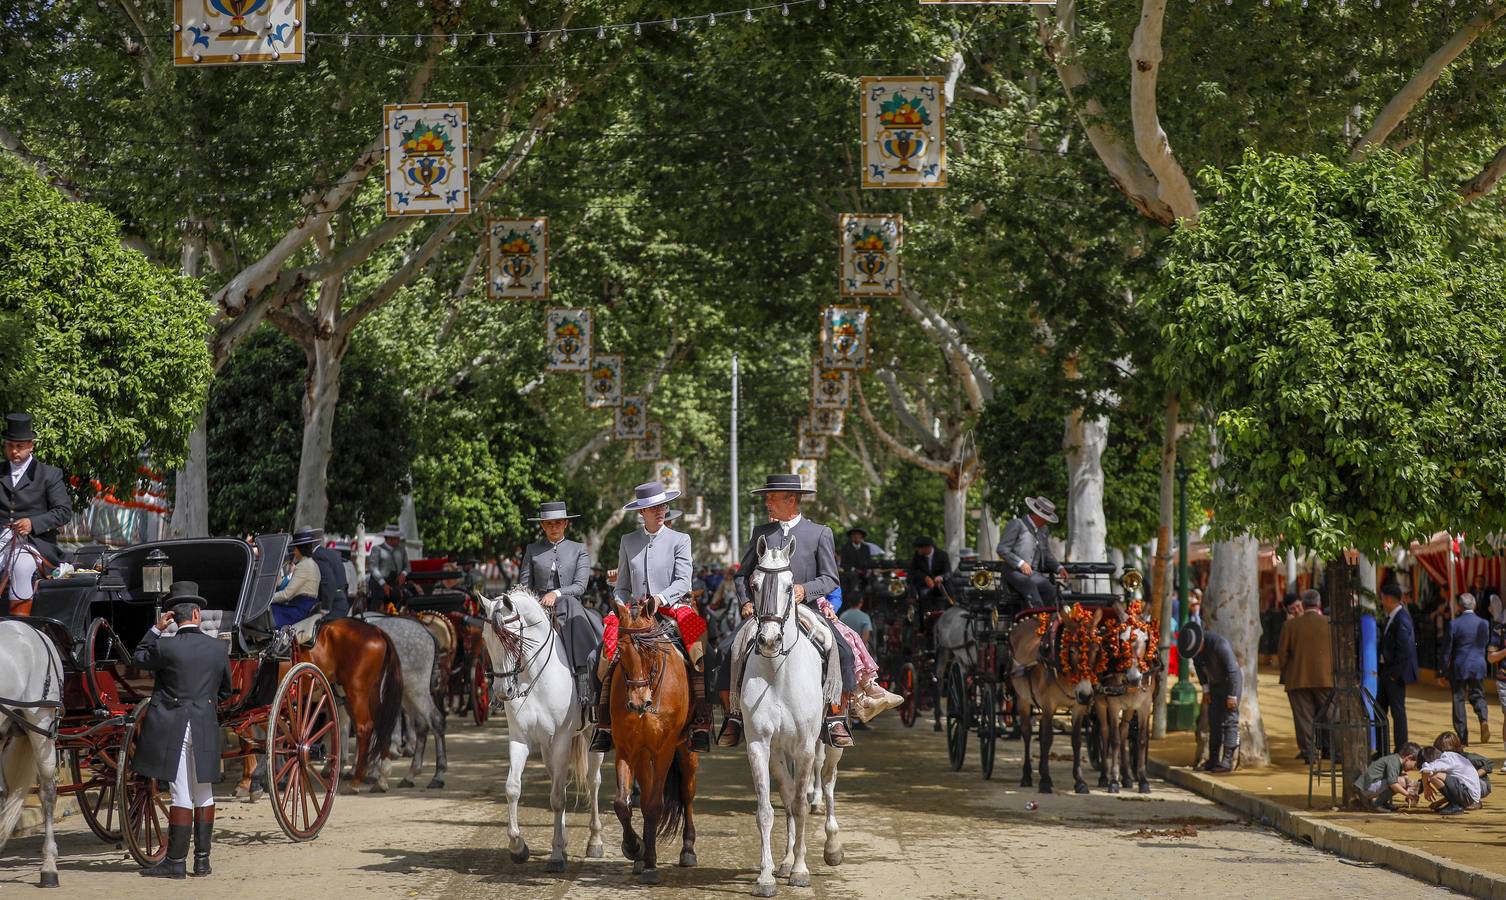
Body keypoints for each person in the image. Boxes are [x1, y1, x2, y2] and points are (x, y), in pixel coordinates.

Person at [721, 474, 854, 749]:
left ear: (791, 500)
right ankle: (733, 716)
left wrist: (805, 590)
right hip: (764, 614)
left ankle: (835, 715)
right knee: (726, 649)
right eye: (767, 498)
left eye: (772, 498)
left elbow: (830, 578)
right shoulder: (761, 533)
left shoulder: (820, 533)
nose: (767, 503)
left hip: (806, 610)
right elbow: (741, 575)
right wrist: (746, 601)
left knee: (842, 649)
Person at [593, 482, 710, 753]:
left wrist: (660, 599)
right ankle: (603, 721)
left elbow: (683, 581)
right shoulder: (627, 541)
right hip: (633, 612)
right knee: (603, 651)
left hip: (672, 607)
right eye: (653, 507)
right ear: (641, 512)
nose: (660, 511)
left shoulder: (680, 539)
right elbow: (621, 585)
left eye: (662, 506)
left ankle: (702, 719)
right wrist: (621, 606)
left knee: (701, 647)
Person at [131, 582, 234, 878]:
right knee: (204, 792)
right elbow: (226, 690)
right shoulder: (217, 648)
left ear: (173, 617)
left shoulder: (165, 645)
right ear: (198, 615)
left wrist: (154, 629)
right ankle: (202, 861)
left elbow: (138, 657)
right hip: (204, 723)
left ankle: (175, 862)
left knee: (180, 792)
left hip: (174, 725)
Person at [519, 501, 598, 719]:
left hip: (568, 605)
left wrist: (557, 594)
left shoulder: (579, 549)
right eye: (548, 523)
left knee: (571, 606)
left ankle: (583, 679)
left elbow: (580, 586)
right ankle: (505, 682)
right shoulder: (533, 550)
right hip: (538, 608)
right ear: (543, 525)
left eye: (558, 523)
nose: (553, 527)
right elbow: (524, 585)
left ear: (565, 524)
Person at [0, 413, 72, 614]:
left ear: (31, 446)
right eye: (10, 446)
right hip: (2, 539)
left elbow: (64, 511)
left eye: (19, 446)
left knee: (20, 566)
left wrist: (33, 523)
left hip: (34, 543)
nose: (14, 451)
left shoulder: (49, 474)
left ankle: (19, 623)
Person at [1277, 588, 1332, 764]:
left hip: (1297, 678)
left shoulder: (1290, 625)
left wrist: (1287, 672)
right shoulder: (1330, 622)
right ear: (1319, 603)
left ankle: (1310, 754)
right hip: (1326, 678)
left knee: (1304, 719)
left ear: (1304, 603)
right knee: (1330, 715)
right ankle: (1333, 752)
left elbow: (1282, 654)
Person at [1179, 621, 1242, 773]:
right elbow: (1200, 671)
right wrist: (1206, 690)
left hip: (1230, 683)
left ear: (1201, 640)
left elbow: (1233, 671)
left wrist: (1232, 695)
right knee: (1214, 721)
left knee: (1230, 720)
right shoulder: (1196, 652)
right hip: (1214, 685)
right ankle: (1213, 759)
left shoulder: (1219, 644)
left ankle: (1227, 760)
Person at [996, 497, 1070, 609]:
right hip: (1013, 570)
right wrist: (1021, 563)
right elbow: (1002, 549)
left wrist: (1059, 568)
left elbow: (1046, 553)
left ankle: (1046, 619)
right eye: (1045, 518)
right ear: (1037, 515)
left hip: (1033, 573)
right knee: (1029, 586)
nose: (1047, 521)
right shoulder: (1017, 524)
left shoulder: (1043, 530)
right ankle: (1036, 618)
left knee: (1050, 590)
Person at [1443, 592, 1491, 745]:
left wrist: (1443, 670)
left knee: (1458, 700)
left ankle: (1463, 737)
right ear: (1474, 605)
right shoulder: (1484, 623)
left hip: (1460, 666)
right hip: (1478, 664)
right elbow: (1484, 643)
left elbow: (1447, 649)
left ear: (1459, 606)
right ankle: (1483, 719)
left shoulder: (1454, 624)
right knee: (1478, 695)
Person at [1377, 582, 1418, 752]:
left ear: (1387, 599)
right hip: (1387, 672)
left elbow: (1405, 649)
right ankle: (1382, 749)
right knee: (1380, 710)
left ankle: (1401, 749)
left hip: (1394, 674)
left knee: (1397, 712)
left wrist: (1394, 674)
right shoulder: (1393, 617)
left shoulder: (1402, 618)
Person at [1354, 741, 1421, 812]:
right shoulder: (1394, 762)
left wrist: (1409, 788)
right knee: (1398, 782)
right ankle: (1377, 804)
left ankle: (1383, 803)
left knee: (1401, 780)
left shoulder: (1395, 760)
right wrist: (1408, 795)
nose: (1414, 768)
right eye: (1415, 765)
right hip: (1367, 788)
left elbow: (1405, 777)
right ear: (1409, 758)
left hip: (1370, 786)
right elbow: (1393, 783)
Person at [1418, 745, 1482, 815]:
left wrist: (1426, 787)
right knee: (1436, 775)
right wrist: (1439, 802)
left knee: (1434, 776)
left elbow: (1425, 770)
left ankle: (1455, 806)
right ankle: (1453, 804)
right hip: (1469, 795)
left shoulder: (1444, 760)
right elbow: (1454, 790)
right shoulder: (1450, 756)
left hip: (1468, 795)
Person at [1435, 731, 1493, 800]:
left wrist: (1475, 775)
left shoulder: (1465, 758)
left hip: (1481, 785)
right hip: (1466, 787)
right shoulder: (1442, 760)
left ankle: (1472, 802)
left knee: (1455, 780)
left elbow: (1489, 762)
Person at [308, 531, 350, 619]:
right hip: (341, 600)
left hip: (333, 604)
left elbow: (328, 582)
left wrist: (325, 608)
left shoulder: (317, 555)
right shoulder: (330, 553)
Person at [367, 523, 409, 603]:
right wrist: (383, 584)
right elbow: (373, 568)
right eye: (397, 538)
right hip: (378, 584)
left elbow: (407, 566)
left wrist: (403, 573)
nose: (399, 540)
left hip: (394, 583)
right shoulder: (377, 549)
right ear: (390, 539)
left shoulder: (401, 550)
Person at [907, 537, 952, 612]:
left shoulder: (942, 555)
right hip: (924, 587)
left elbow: (948, 572)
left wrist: (941, 577)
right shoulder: (917, 556)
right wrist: (924, 577)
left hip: (941, 586)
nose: (918, 550)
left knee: (946, 595)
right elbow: (912, 571)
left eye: (919, 548)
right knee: (923, 595)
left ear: (928, 548)